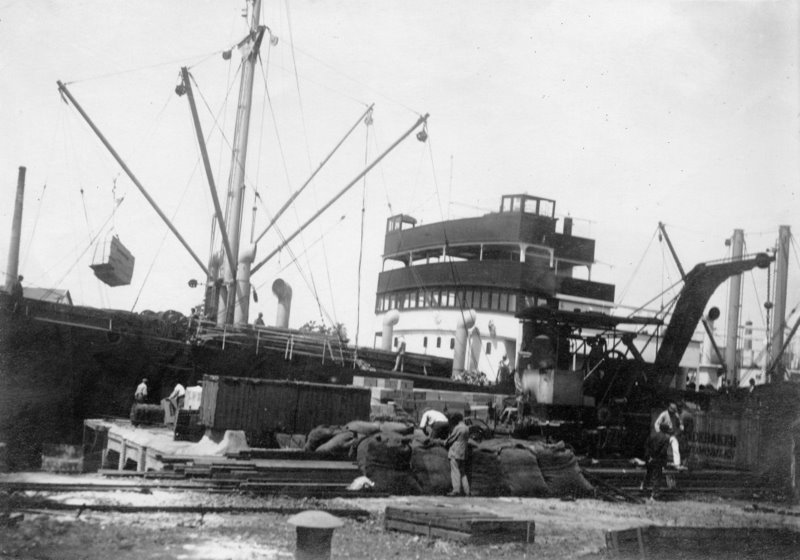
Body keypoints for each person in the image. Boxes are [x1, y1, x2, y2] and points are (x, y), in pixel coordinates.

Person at [640, 424, 672, 499]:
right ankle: (654, 495)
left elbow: (646, 446)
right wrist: (658, 459)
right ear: (666, 430)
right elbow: (663, 451)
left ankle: (643, 489)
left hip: (650, 459)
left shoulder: (652, 435)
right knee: (657, 477)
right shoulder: (666, 438)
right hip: (658, 460)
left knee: (648, 474)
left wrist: (649, 457)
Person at [445, 413, 470, 496]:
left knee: (455, 471)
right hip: (463, 452)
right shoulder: (466, 428)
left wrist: (445, 442)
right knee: (463, 472)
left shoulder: (458, 428)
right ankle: (467, 491)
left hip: (455, 452)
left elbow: (451, 438)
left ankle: (456, 490)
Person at [653, 402, 685, 469]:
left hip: (671, 434)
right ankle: (659, 464)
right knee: (662, 450)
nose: (672, 412)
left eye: (673, 411)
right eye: (671, 411)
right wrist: (660, 434)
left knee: (675, 446)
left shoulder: (676, 415)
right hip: (664, 434)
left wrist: (680, 429)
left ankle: (677, 464)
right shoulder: (664, 414)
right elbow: (656, 424)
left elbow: (681, 424)